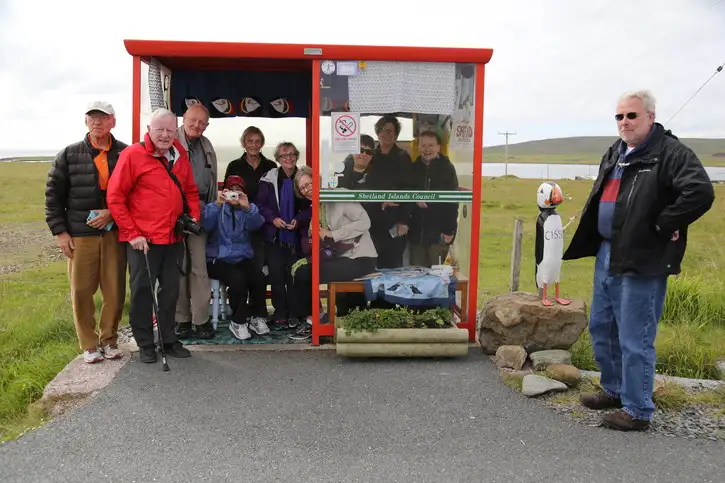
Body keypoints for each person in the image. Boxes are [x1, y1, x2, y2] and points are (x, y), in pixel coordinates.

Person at [562, 90, 715, 431]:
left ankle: (638, 409)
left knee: (635, 335)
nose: (625, 122)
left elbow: (700, 192)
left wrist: (664, 223)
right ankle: (614, 390)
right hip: (607, 251)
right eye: (619, 116)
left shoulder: (670, 153)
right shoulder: (616, 152)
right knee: (603, 327)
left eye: (632, 115)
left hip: (643, 255)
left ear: (650, 116)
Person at [107, 108, 201, 363]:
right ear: (149, 129)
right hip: (143, 242)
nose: (165, 135)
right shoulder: (133, 154)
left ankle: (168, 339)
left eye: (170, 130)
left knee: (170, 292)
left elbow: (190, 191)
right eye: (159, 129)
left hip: (173, 238)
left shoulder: (180, 154)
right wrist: (132, 233)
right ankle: (146, 343)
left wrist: (193, 217)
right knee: (142, 292)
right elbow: (115, 198)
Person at [44, 101, 128, 364]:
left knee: (114, 290)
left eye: (102, 118)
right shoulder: (68, 155)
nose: (97, 122)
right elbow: (53, 197)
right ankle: (89, 345)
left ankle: (110, 340)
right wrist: (60, 233)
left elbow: (135, 193)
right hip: (80, 235)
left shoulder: (126, 153)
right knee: (81, 290)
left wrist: (113, 213)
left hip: (114, 233)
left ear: (113, 121)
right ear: (85, 121)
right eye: (92, 117)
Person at [289, 166, 378, 339]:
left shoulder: (339, 195)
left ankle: (313, 322)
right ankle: (316, 318)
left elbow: (364, 222)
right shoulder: (318, 205)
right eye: (303, 188)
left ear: (318, 179)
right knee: (300, 269)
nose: (307, 190)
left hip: (360, 257)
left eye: (309, 184)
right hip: (343, 257)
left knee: (306, 272)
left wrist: (332, 234)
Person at [223, 127, 278, 325]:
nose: (253, 145)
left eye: (257, 141)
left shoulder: (271, 166)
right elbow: (228, 192)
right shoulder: (234, 165)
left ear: (262, 143)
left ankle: (258, 312)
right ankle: (240, 311)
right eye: (249, 140)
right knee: (240, 266)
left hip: (263, 222)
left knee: (259, 267)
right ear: (243, 143)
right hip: (239, 221)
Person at [256, 142, 311, 329]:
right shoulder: (268, 179)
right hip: (274, 236)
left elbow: (311, 207)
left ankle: (295, 313)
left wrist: (299, 220)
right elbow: (260, 205)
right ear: (277, 159)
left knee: (294, 275)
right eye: (284, 155)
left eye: (292, 154)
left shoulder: (303, 178)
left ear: (297, 156)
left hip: (297, 237)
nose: (288, 158)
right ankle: (280, 313)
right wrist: (273, 219)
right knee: (277, 276)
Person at [174, 104, 218, 340]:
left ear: (207, 125)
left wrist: (210, 212)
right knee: (179, 266)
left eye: (202, 122)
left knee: (199, 268)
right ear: (184, 119)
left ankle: (201, 320)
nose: (197, 126)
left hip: (199, 210)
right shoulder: (170, 140)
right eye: (193, 120)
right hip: (173, 211)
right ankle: (181, 319)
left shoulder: (207, 145)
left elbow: (212, 181)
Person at [203, 175, 265, 341]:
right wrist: (218, 204)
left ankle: (257, 316)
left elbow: (257, 224)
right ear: (225, 191)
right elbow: (205, 224)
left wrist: (247, 208)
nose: (234, 194)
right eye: (232, 190)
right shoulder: (216, 207)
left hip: (241, 257)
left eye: (239, 191)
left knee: (258, 276)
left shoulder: (247, 209)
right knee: (237, 279)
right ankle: (238, 321)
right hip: (218, 259)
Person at [408, 130, 459, 267]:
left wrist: (449, 229)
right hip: (416, 233)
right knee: (416, 273)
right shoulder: (412, 168)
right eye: (423, 145)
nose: (426, 149)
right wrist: (414, 200)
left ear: (438, 147)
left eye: (431, 145)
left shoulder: (447, 168)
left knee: (436, 273)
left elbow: (453, 201)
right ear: (418, 147)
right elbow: (405, 195)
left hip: (439, 233)